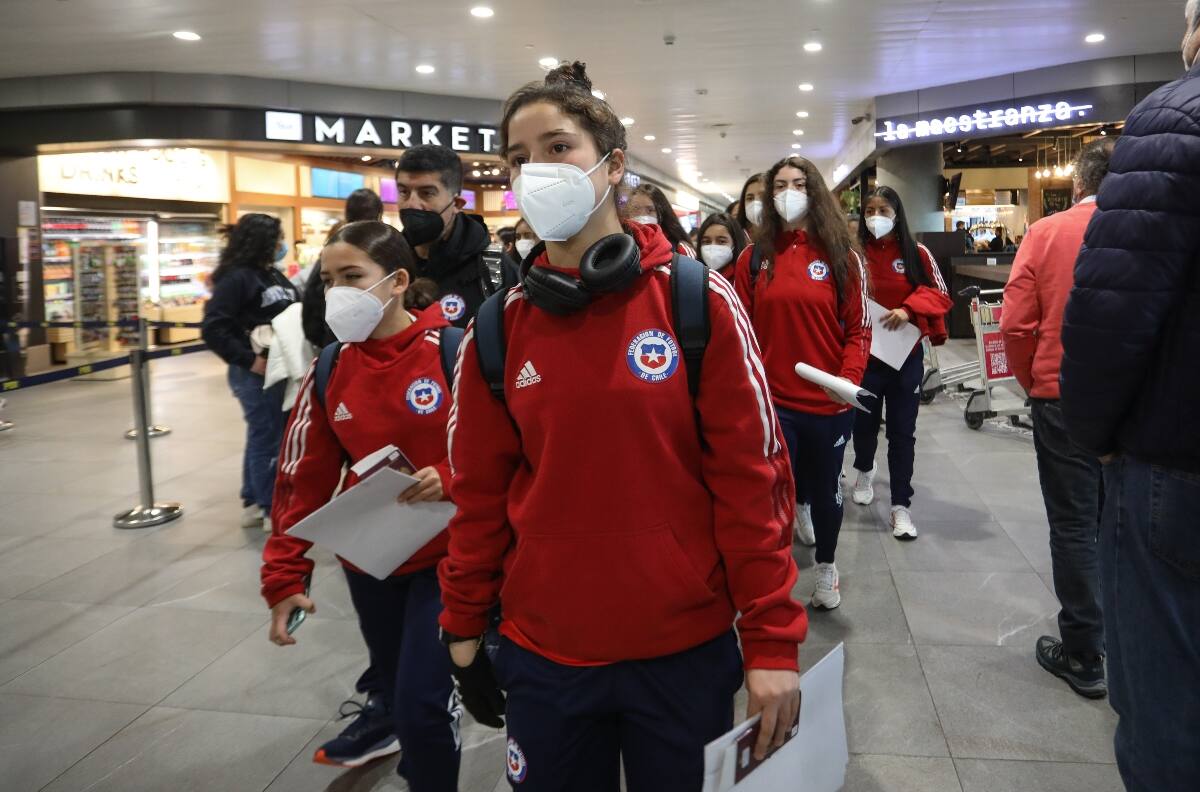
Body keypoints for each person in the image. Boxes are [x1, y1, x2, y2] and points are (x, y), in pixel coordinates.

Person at [438, 62, 804, 791]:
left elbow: (752, 484)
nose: (535, 169)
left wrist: (771, 642)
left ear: (612, 166)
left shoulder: (696, 302)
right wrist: (462, 625)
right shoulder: (497, 331)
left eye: (557, 147)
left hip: (681, 650)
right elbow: (477, 493)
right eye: (518, 157)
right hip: (544, 651)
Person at [261, 221, 461, 787]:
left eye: (353, 277)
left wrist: (451, 476)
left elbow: (501, 449)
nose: (337, 292)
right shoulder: (330, 369)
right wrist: (284, 575)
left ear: (398, 281)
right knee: (398, 687)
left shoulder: (452, 351)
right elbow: (300, 480)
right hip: (370, 560)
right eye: (328, 280)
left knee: (425, 700)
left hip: (448, 560)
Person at [1060, 5, 1200, 785]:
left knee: (1168, 708)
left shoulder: (1175, 120)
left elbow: (1113, 308)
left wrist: (1095, 431)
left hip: (1174, 461)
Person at [1002, 139, 1113, 700]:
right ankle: (1127, 640)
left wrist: (1033, 380)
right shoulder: (1162, 229)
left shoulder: (1046, 233)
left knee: (1073, 525)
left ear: (1077, 184)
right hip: (1138, 403)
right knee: (1120, 522)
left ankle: (1084, 654)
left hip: (1062, 395)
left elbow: (1017, 324)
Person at [734, 155, 871, 610]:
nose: (787, 192)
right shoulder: (755, 259)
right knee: (771, 495)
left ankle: (828, 568)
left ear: (814, 192)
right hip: (773, 406)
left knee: (828, 490)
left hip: (829, 403)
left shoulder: (841, 257)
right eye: (779, 185)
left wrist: (847, 380)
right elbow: (742, 330)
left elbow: (858, 329)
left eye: (797, 183)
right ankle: (773, 581)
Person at [850, 186, 951, 541]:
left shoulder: (916, 253)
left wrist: (909, 308)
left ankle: (900, 506)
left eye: (884, 209)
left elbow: (940, 293)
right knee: (862, 426)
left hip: (905, 357)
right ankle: (864, 467)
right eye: (870, 209)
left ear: (897, 214)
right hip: (864, 357)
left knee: (901, 433)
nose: (876, 216)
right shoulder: (853, 253)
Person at [202, 213, 299, 531]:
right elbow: (214, 327)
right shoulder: (237, 278)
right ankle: (270, 505)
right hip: (256, 372)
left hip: (278, 367)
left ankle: (252, 498)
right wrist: (248, 360)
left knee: (266, 433)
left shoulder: (271, 275)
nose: (281, 245)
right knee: (268, 436)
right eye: (277, 238)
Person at [396, 144, 493, 328]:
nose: (412, 204)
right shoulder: (388, 264)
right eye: (404, 192)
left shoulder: (494, 268)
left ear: (456, 203)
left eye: (427, 193)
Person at [624, 182, 697, 256]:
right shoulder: (623, 244)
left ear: (661, 214)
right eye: (635, 209)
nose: (642, 214)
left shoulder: (680, 249)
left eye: (650, 210)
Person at [696, 212, 745, 281]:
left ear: (735, 244)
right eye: (707, 241)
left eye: (721, 241)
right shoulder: (694, 277)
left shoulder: (743, 279)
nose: (713, 246)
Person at [734, 173, 766, 239]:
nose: (755, 202)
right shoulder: (736, 236)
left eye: (763, 197)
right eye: (750, 198)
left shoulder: (783, 236)